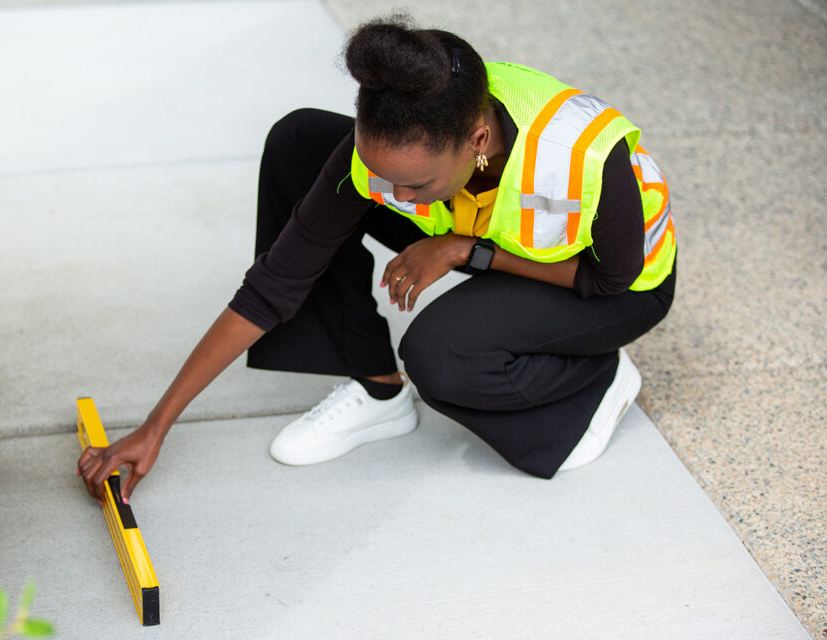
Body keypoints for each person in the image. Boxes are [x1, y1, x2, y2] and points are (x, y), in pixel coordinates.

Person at [78, 16, 676, 502]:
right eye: (383, 176)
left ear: (477, 141)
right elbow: (274, 285)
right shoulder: (404, 142)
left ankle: (592, 382)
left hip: (609, 285)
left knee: (441, 354)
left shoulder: (582, 156)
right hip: (485, 233)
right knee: (303, 142)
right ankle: (377, 389)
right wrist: (157, 425)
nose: (393, 196)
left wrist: (465, 250)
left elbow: (611, 278)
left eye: (413, 185)